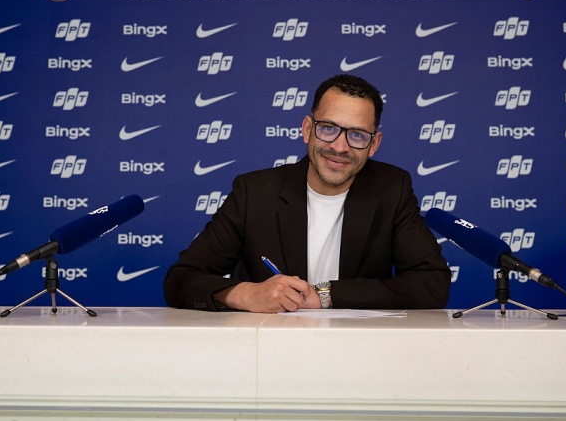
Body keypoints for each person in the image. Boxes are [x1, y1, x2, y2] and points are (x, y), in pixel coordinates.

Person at [164, 74, 451, 312]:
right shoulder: (254, 192)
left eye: (357, 135)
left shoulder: (392, 188)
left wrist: (325, 295)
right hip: (266, 348)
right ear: (306, 129)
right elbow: (180, 280)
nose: (339, 147)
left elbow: (432, 284)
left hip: (359, 349)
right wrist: (245, 294)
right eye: (328, 128)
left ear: (373, 145)